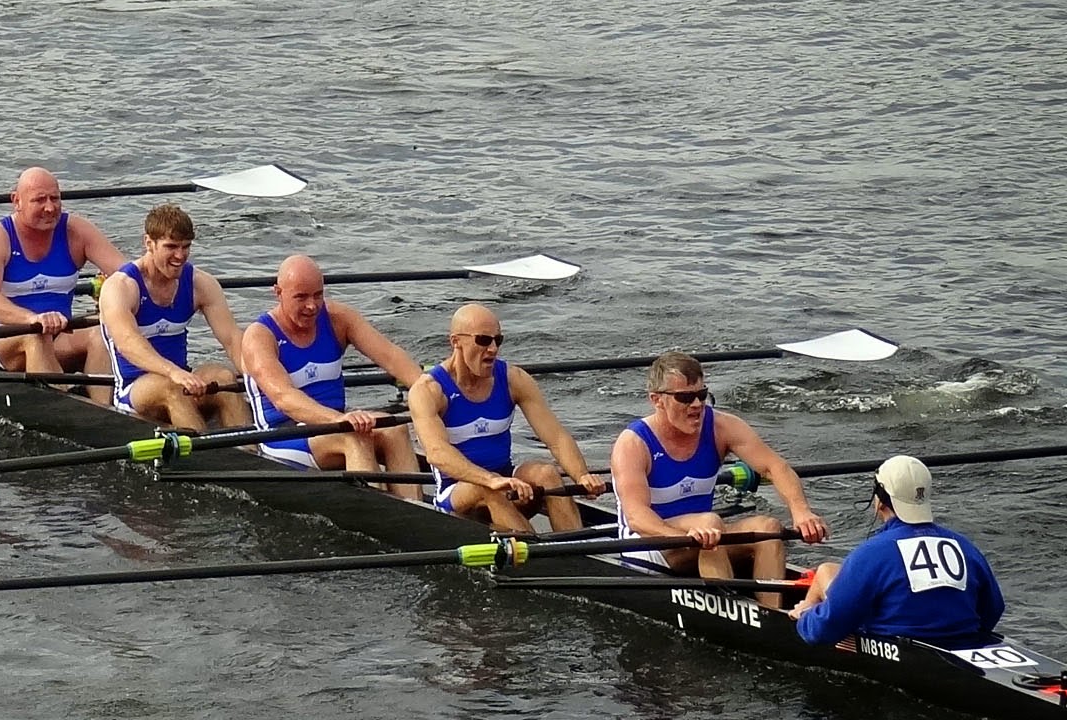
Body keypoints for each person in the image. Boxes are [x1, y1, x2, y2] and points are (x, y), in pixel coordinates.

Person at [609, 352, 829, 608]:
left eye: (701, 395)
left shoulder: (722, 427)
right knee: (710, 522)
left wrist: (801, 512)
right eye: (684, 397)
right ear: (656, 400)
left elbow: (774, 467)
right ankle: (731, 613)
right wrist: (686, 534)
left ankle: (771, 614)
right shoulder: (633, 443)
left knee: (768, 528)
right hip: (648, 547)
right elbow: (637, 517)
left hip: (705, 537)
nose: (696, 405)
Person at [408, 304, 607, 532]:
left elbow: (556, 437)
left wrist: (581, 475)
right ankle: (538, 556)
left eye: (498, 340)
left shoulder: (514, 379)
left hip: (506, 481)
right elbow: (437, 454)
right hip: (457, 494)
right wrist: (489, 479)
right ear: (455, 341)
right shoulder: (429, 390)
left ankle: (574, 547)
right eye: (483, 340)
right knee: (488, 489)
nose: (492, 349)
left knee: (547, 474)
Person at [241, 255, 423, 500]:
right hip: (283, 438)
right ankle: (375, 514)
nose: (312, 306)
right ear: (278, 292)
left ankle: (414, 510)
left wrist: (429, 394)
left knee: (395, 428)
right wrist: (340, 419)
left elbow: (391, 357)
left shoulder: (339, 318)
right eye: (301, 297)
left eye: (318, 295)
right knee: (355, 436)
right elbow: (284, 397)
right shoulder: (260, 336)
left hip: (334, 426)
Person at [790, 455, 1004, 649]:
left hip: (900, 649)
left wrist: (806, 616)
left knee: (826, 572)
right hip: (962, 644)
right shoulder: (964, 546)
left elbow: (821, 632)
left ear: (879, 502)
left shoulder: (871, 554)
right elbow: (993, 610)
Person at [0, 167, 126, 398]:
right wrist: (32, 319)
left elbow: (128, 277)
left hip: (54, 340)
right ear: (16, 201)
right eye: (39, 200)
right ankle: (64, 408)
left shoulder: (76, 231)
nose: (50, 208)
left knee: (99, 330)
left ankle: (104, 411)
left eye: (55, 199)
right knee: (36, 334)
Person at [98, 203, 249, 430]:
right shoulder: (121, 287)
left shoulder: (200, 283)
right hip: (135, 391)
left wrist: (258, 377)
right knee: (171, 387)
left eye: (185, 247)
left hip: (181, 379)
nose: (180, 256)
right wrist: (173, 372)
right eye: (171, 247)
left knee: (224, 376)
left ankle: (251, 455)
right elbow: (128, 343)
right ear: (149, 243)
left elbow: (232, 340)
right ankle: (205, 458)